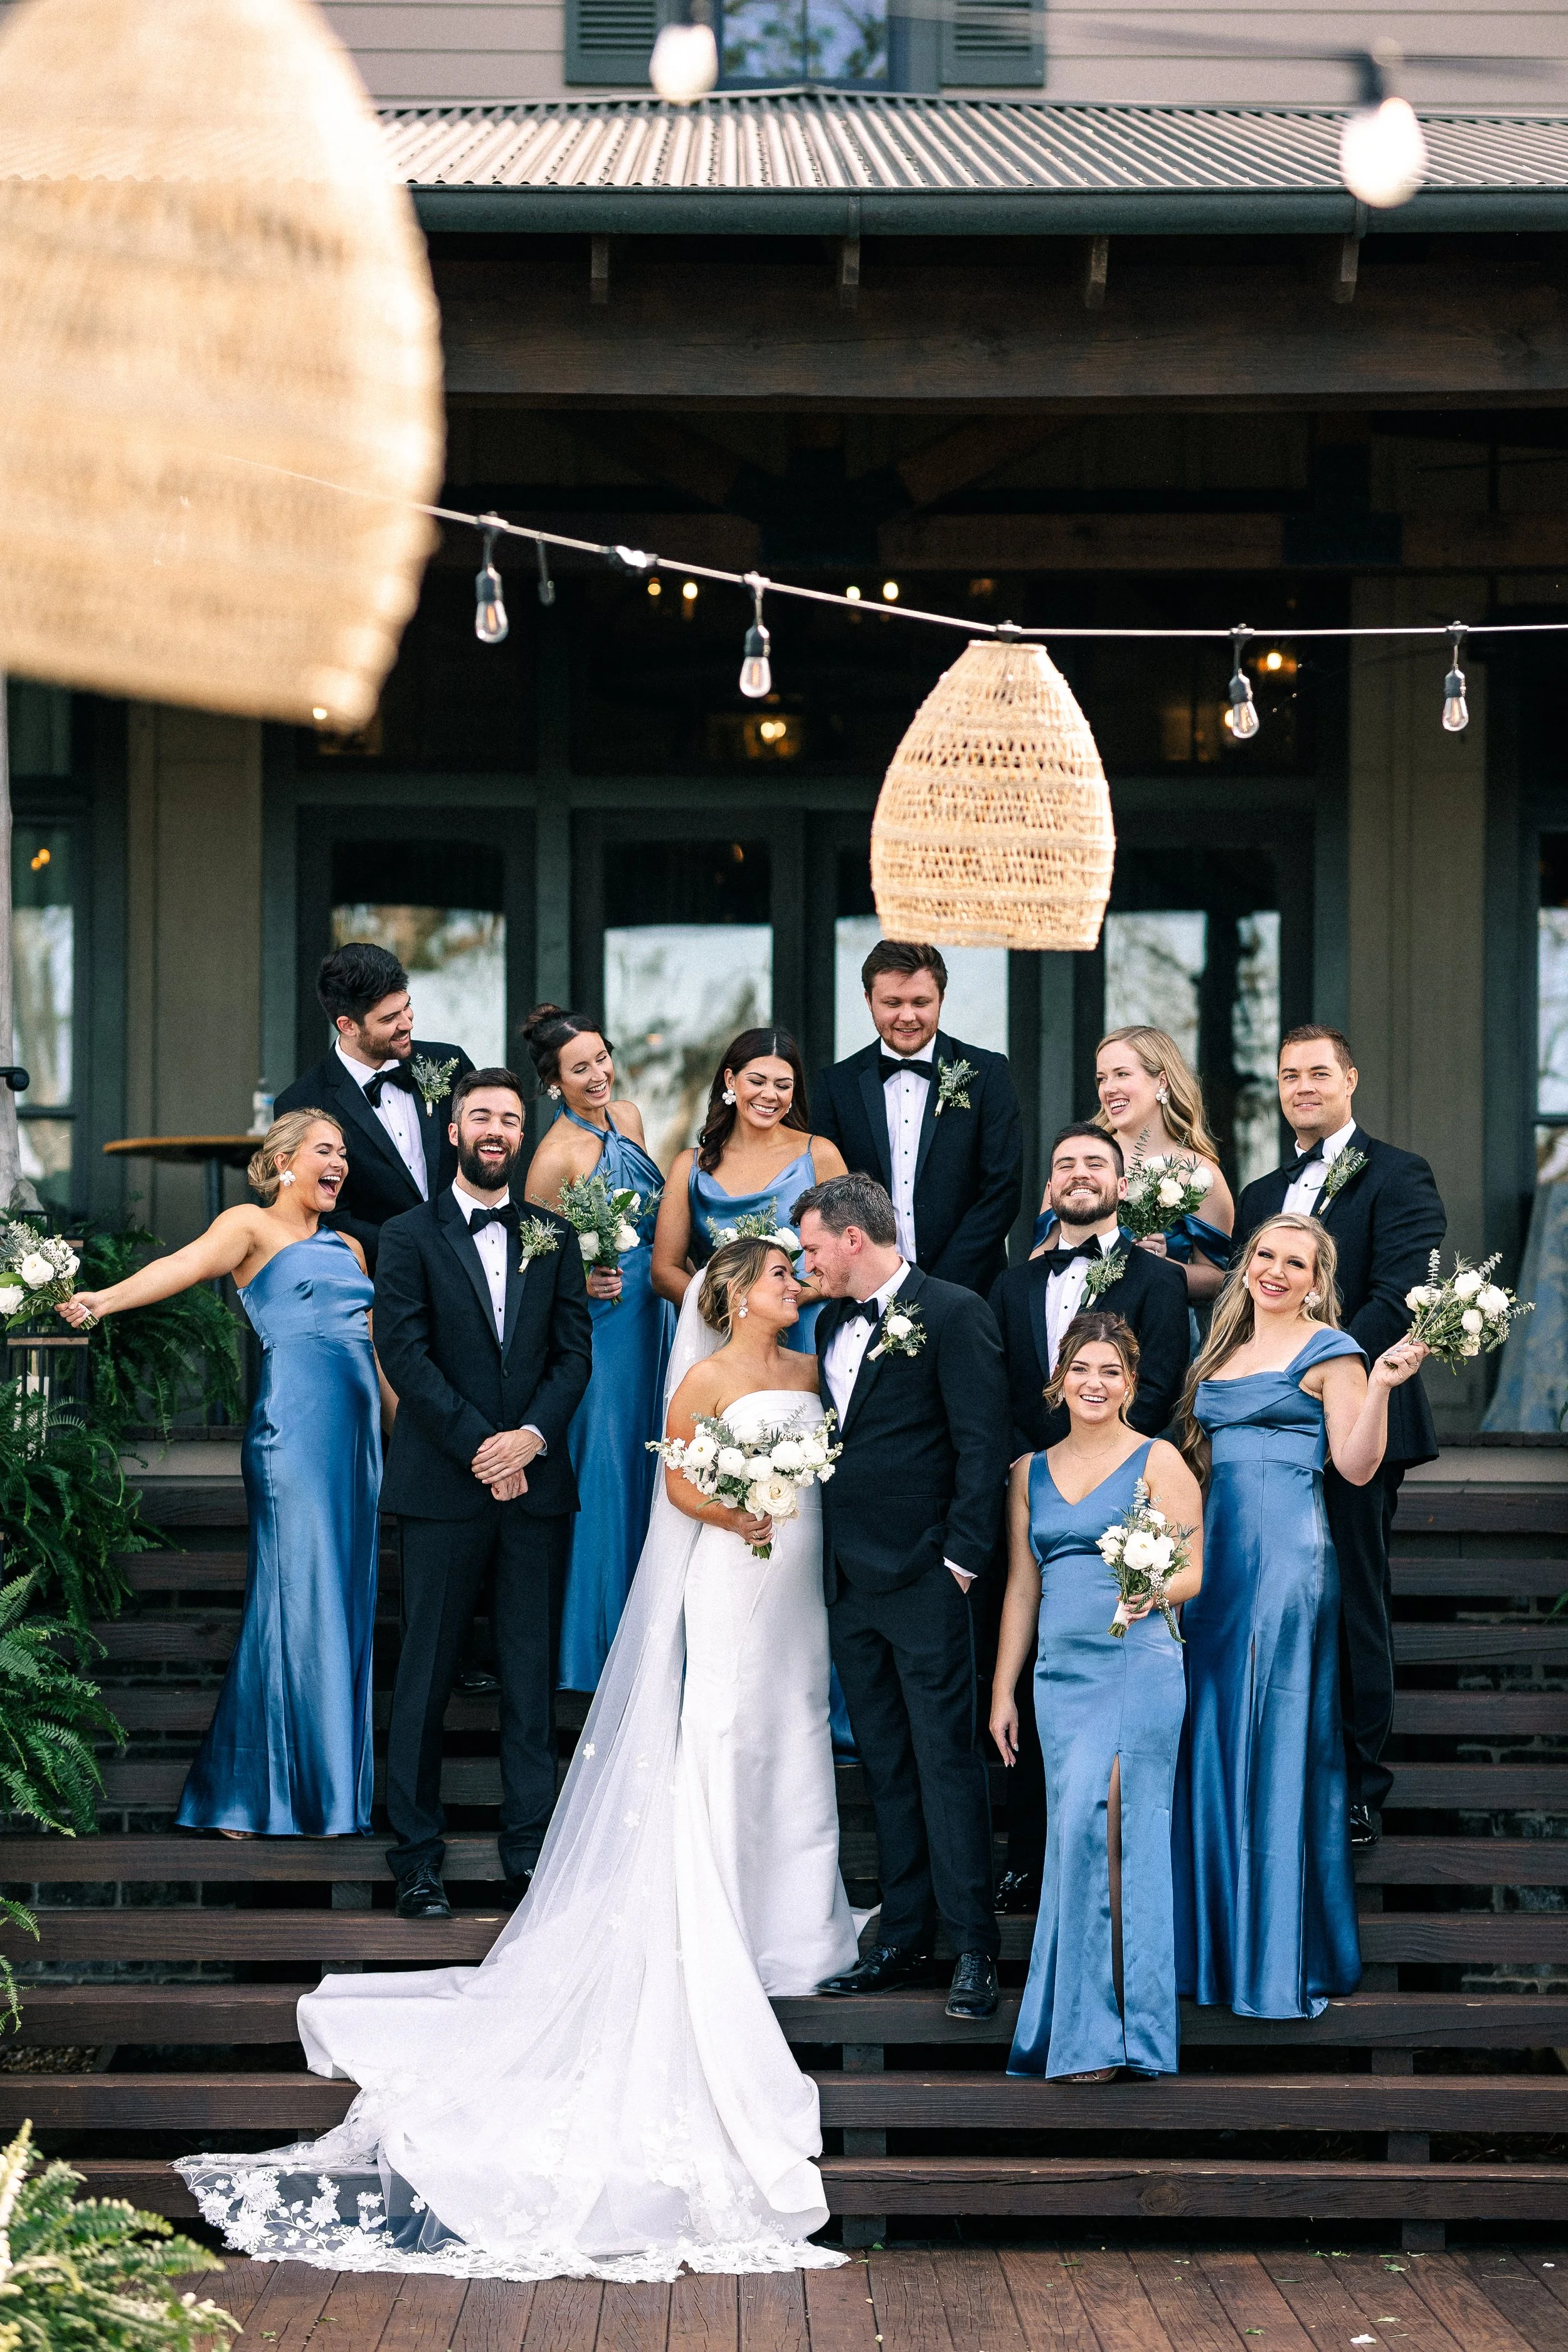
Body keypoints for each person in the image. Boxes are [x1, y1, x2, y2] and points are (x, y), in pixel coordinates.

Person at [175, 1238, 858, 2282]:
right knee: (724, 1733)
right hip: (736, 1568)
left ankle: (796, 1917)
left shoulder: (808, 1372)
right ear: (733, 1293)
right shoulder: (709, 1376)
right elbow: (681, 1491)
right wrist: (741, 1511)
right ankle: (722, 1909)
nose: (791, 1289)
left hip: (798, 1575)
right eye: (777, 1277)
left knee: (793, 1732)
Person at [61, 1112, 388, 1837]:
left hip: (357, 1448)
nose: (340, 1164)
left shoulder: (352, 1249)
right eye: (325, 1151)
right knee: (291, 1604)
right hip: (294, 1438)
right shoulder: (250, 1226)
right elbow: (182, 1266)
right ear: (283, 1164)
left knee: (342, 1603)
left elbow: (376, 1356)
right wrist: (104, 1300)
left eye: (344, 1155)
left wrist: (428, 1442)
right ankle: (245, 1794)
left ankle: (326, 1794)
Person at [1171, 1214, 1429, 2020]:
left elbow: (1354, 1465)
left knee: (1276, 1738)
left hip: (1288, 1558)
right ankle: (1212, 1946)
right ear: (1247, 1265)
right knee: (1212, 1734)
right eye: (1265, 1257)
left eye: (1296, 1263)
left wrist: (1383, 1385)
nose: (1276, 1272)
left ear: (1318, 1279)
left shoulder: (1332, 1351)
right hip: (1215, 1565)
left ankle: (1272, 1951)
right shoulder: (1219, 1354)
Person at [374, 1067, 592, 1919]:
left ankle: (529, 1849)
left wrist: (529, 1440)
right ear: (454, 1128)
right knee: (425, 1672)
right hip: (442, 1486)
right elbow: (406, 1352)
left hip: (536, 1487)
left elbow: (573, 1354)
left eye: (509, 1117)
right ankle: (417, 1855)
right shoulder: (407, 1234)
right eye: (481, 1116)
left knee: (530, 1676)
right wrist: (481, 1445)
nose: (496, 1129)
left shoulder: (554, 1234)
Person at [797, 1172, 1010, 2021]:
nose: (805, 1261)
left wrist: (959, 1561)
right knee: (886, 1762)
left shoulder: (954, 1311)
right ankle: (902, 1937)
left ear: (855, 1238)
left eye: (813, 1245)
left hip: (926, 1577)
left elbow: (981, 1441)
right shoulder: (826, 1322)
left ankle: (973, 1949)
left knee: (946, 1762)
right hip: (848, 1583)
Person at [1233, 1025, 1446, 1846]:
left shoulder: (1398, 1175)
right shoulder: (1259, 1196)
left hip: (1354, 1418)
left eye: (1319, 1072)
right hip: (1264, 1433)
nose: (1304, 1086)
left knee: (1354, 1595)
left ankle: (1361, 1780)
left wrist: (1321, 1371)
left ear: (1351, 1079)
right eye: (1290, 1076)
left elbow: (1401, 1292)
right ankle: (1279, 1759)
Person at [984, 1124, 1191, 1911]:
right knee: (1040, 1676)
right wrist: (1035, 1467)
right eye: (1064, 1162)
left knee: (1109, 1689)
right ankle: (1028, 1857)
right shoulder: (1011, 1285)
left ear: (1119, 1185)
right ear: (1050, 1187)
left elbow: (1164, 1384)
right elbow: (1001, 1391)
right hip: (1036, 1494)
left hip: (1123, 1493)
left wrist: (1110, 1475)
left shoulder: (1158, 1280)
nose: (1078, 1175)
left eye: (1095, 1164)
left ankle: (1114, 1864)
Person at [990, 1313, 1203, 2080]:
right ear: (1059, 1380)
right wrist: (1002, 1690)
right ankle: (1081, 2030)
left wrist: (1152, 1589)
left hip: (1137, 1666)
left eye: (1111, 1371)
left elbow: (1192, 1572)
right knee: (1074, 1842)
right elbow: (1021, 1586)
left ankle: (1127, 2036)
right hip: (1059, 1679)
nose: (1094, 1383)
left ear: (1131, 1386)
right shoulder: (1027, 1472)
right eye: (1082, 1368)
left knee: (1116, 1835)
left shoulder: (1158, 1460)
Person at [522, 1004, 672, 1693]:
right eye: (579, 1069)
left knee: (657, 1461)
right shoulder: (552, 1158)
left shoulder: (631, 1119)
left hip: (656, 1315)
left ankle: (657, 1632)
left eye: (601, 1058)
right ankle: (599, 1652)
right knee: (609, 1471)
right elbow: (531, 1269)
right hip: (603, 1328)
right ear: (554, 1082)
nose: (597, 1075)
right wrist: (582, 1278)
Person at [813, 941, 1023, 1297]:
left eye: (921, 1003)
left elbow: (1002, 1189)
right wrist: (879, 1275)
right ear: (869, 1001)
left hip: (970, 1292)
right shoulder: (836, 1086)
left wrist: (936, 1288)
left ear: (941, 998)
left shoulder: (987, 1073)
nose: (907, 1016)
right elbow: (832, 1198)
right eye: (893, 1003)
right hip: (867, 1290)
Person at [651, 1025, 847, 1361]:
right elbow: (664, 1270)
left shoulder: (820, 1155)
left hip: (804, 1332)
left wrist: (792, 1297)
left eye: (783, 1086)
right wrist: (721, 1310)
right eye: (757, 1081)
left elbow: (845, 1256)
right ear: (730, 1080)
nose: (770, 1095)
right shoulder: (689, 1167)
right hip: (722, 1338)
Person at [277, 941, 474, 1273]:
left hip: (469, 1265)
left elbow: (486, 1153)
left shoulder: (450, 1064)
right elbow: (324, 1213)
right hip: (379, 1282)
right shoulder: (302, 1103)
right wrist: (413, 1248)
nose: (407, 1023)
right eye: (389, 1018)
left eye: (407, 1007)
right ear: (347, 1025)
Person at [1040, 1027, 1232, 1303]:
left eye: (1122, 1074)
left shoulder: (1200, 1173)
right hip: (1074, 1315)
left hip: (1159, 1327)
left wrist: (1158, 1267)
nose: (1108, 1088)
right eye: (1101, 1079)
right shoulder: (1079, 1161)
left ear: (1162, 1082)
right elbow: (1040, 1256)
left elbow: (1219, 1280)